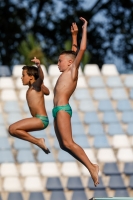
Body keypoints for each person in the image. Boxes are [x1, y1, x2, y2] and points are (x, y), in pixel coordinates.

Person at [52, 17, 99, 186]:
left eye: (60, 60)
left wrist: (84, 29)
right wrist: (74, 36)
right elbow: (74, 50)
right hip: (56, 111)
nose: (58, 63)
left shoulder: (72, 71)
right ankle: (90, 166)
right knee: (64, 145)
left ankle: (92, 167)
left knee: (69, 142)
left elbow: (82, 49)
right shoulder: (67, 70)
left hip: (63, 108)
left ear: (70, 63)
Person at [8, 57, 50, 154]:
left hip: (40, 119)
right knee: (13, 130)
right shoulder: (34, 87)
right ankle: (38, 141)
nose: (21, 78)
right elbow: (47, 92)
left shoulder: (35, 86)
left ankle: (38, 141)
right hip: (39, 119)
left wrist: (38, 66)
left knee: (13, 129)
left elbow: (41, 77)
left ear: (31, 76)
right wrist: (42, 85)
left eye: (23, 75)